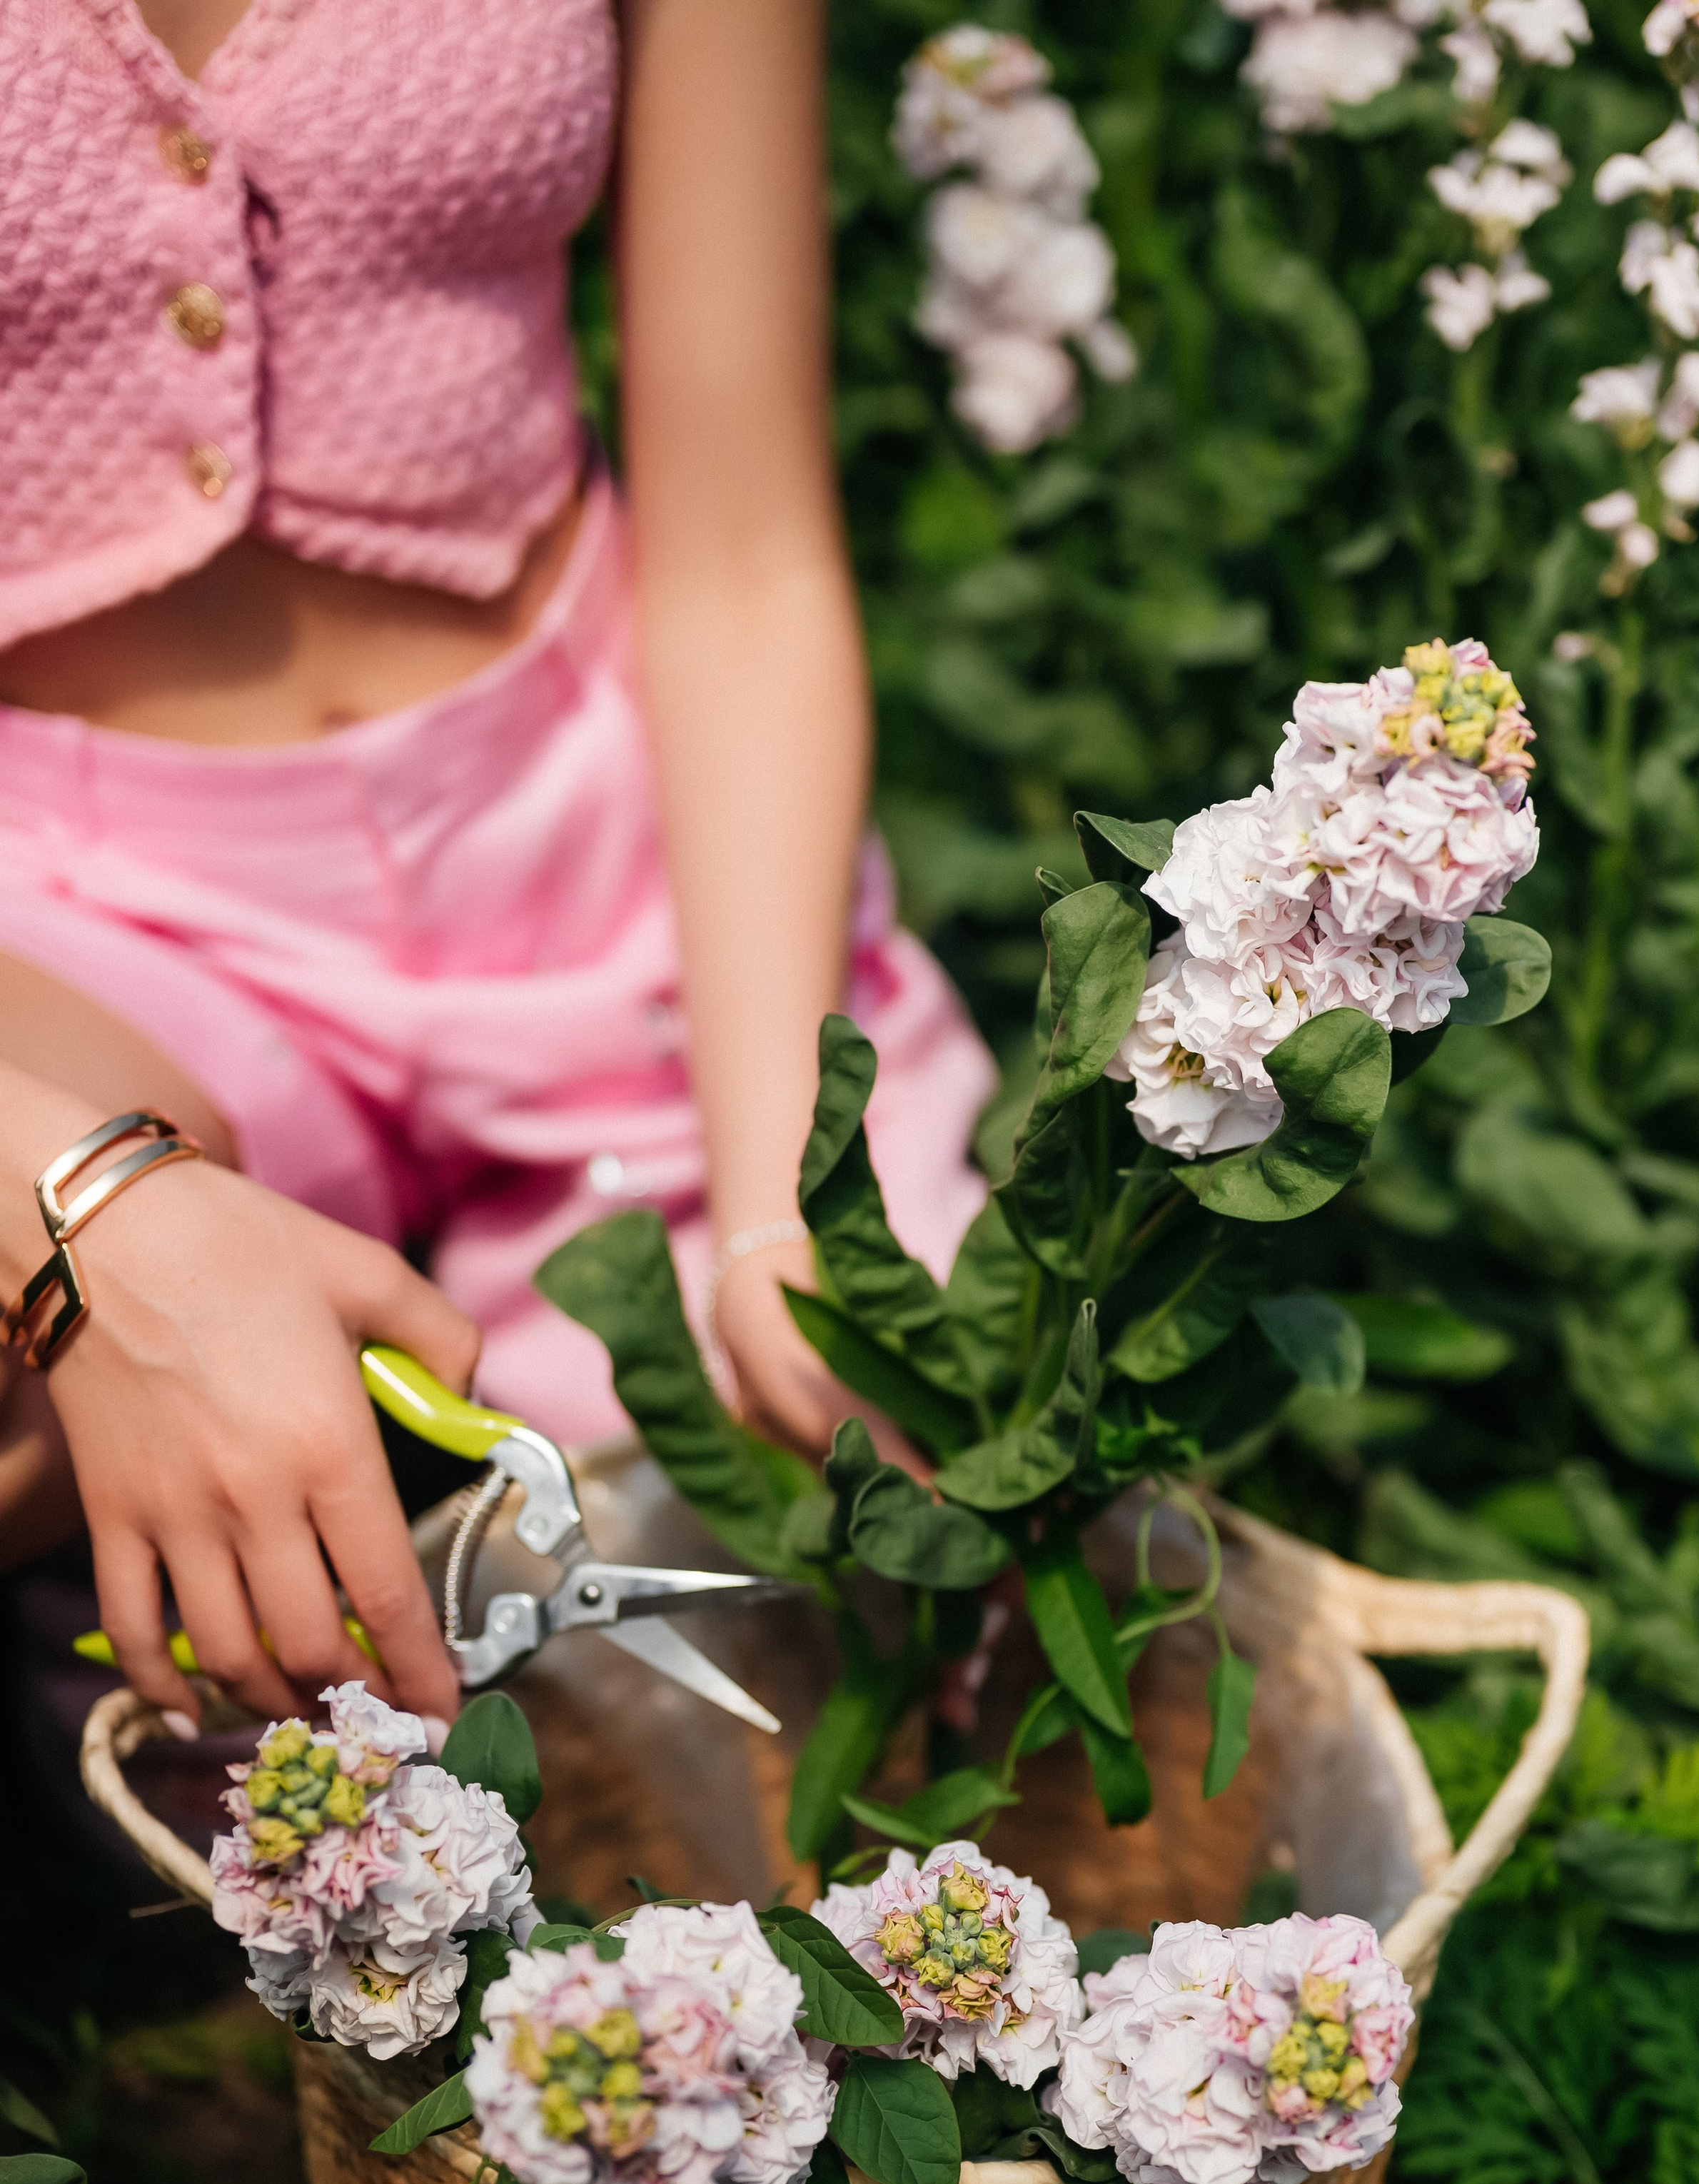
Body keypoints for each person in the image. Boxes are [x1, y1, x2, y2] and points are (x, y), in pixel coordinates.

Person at [0, 0, 993, 1733]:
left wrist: (781, 1192)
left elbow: (742, 552)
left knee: (906, 1528)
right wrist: (80, 1212)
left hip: (595, 823)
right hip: (75, 906)